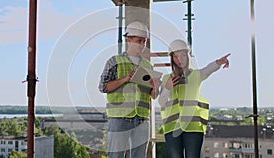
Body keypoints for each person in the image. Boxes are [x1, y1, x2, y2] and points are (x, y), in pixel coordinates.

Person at [98, 21, 162, 158]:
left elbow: (153, 95)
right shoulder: (114, 61)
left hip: (142, 118)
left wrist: (156, 87)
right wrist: (125, 79)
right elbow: (103, 87)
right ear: (129, 39)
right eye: (139, 41)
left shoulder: (147, 65)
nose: (142, 45)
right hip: (120, 118)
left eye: (144, 41)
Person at [158, 39, 230, 158]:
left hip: (193, 127)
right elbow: (161, 102)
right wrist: (167, 88)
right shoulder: (167, 78)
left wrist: (219, 62)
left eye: (183, 55)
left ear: (188, 56)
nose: (180, 59)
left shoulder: (196, 75)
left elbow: (208, 69)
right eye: (176, 56)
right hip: (172, 128)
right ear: (172, 58)